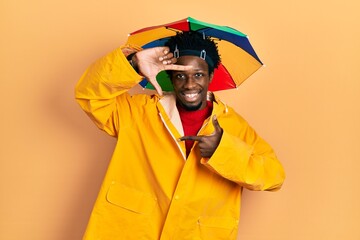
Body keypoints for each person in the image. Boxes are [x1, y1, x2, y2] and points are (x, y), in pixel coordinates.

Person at [75, 31, 285, 240]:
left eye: (198, 74)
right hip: (129, 231)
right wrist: (133, 62)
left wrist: (222, 150)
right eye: (180, 75)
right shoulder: (138, 112)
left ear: (211, 76)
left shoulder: (234, 126)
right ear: (170, 78)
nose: (190, 84)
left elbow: (273, 176)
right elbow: (90, 95)